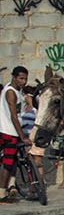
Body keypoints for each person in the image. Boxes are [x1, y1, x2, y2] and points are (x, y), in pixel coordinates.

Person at [1, 66, 28, 203]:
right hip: (9, 131)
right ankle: (1, 194)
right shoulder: (10, 92)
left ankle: (11, 186)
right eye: (21, 78)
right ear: (14, 77)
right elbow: (13, 116)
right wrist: (22, 135)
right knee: (8, 162)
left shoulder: (16, 90)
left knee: (13, 161)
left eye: (25, 79)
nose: (23, 81)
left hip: (11, 130)